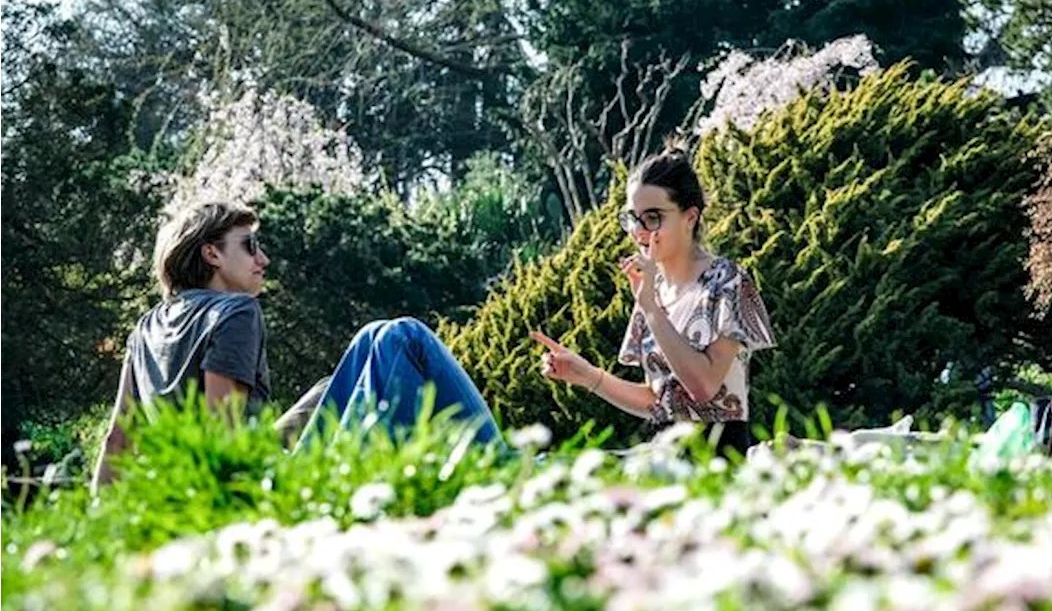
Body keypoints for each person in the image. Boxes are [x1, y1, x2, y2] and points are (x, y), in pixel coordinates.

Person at [91, 201, 501, 492]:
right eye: (249, 245)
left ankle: (465, 463)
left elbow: (118, 438)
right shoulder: (235, 312)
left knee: (367, 345)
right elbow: (222, 433)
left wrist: (98, 523)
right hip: (251, 492)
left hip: (191, 487)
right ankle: (504, 467)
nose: (263, 258)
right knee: (403, 336)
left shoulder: (145, 327)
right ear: (211, 253)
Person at [531, 145, 775, 455]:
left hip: (717, 457)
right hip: (663, 454)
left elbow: (703, 389)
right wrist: (586, 375)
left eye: (653, 218)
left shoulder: (728, 283)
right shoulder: (652, 291)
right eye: (633, 218)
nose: (639, 232)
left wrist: (649, 306)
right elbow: (658, 401)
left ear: (690, 217)